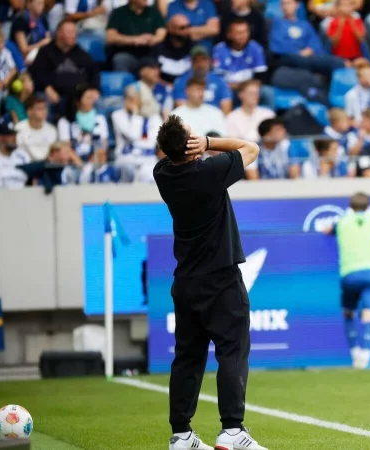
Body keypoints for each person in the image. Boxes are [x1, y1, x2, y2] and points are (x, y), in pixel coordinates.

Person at [153, 115, 266, 450]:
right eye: (192, 137)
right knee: (232, 351)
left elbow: (170, 152)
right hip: (220, 278)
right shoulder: (209, 171)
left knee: (187, 357)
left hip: (186, 281)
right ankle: (232, 430)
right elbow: (252, 148)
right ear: (191, 148)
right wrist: (210, 143)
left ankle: (181, 435)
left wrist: (185, 144)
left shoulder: (163, 173)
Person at [324, 192, 370, 369]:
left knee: (349, 313)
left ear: (350, 206)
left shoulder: (342, 222)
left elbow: (328, 229)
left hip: (349, 275)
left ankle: (355, 354)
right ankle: (365, 358)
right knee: (369, 315)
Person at [29, 20, 98, 119]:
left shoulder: (82, 54)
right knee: (43, 103)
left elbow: (94, 72)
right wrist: (47, 88)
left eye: (75, 32)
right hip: (53, 93)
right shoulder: (45, 52)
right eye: (70, 32)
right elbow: (36, 73)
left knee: (97, 102)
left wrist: (95, 89)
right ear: (59, 33)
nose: (74, 35)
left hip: (78, 95)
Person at [112, 85, 163, 182]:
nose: (132, 101)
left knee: (152, 177)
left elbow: (154, 139)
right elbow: (133, 135)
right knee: (128, 172)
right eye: (129, 98)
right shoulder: (118, 115)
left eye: (135, 98)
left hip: (147, 158)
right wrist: (135, 113)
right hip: (126, 158)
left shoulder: (153, 116)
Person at [212, 19, 270, 102]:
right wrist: (238, 86)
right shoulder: (220, 49)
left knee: (268, 92)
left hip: (250, 87)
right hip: (229, 89)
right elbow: (218, 79)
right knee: (225, 94)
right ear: (229, 35)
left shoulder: (255, 48)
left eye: (245, 32)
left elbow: (260, 78)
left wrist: (248, 88)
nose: (243, 36)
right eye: (239, 33)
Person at [105, 0, 166, 72]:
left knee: (154, 65)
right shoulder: (119, 12)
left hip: (147, 54)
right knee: (120, 59)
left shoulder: (153, 12)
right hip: (125, 53)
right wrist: (135, 40)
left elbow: (161, 33)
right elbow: (110, 37)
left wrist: (151, 39)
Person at [173, 46, 233, 114]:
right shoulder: (181, 82)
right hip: (191, 119)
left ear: (209, 61)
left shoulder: (220, 81)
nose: (200, 64)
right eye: (196, 61)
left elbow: (226, 109)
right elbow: (181, 109)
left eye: (203, 60)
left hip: (214, 120)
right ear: (191, 63)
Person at [56, 84, 108, 162]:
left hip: (95, 161)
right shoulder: (64, 122)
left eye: (92, 98)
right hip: (73, 163)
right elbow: (66, 147)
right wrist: (81, 165)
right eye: (88, 98)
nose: (91, 101)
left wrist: (93, 162)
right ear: (77, 102)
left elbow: (103, 144)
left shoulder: (100, 119)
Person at [15, 95, 57, 161]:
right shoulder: (19, 128)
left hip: (46, 165)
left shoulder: (52, 130)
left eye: (45, 108)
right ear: (29, 111)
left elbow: (52, 153)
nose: (44, 111)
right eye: (40, 109)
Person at [156, 14, 195, 84]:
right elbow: (152, 75)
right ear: (170, 29)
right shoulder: (158, 49)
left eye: (188, 27)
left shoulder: (195, 49)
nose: (186, 31)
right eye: (182, 28)